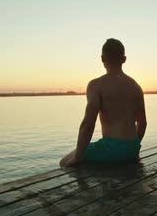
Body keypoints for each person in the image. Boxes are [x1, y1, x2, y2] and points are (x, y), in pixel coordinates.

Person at [60, 38, 147, 167]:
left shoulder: (97, 85)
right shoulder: (136, 86)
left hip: (111, 149)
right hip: (133, 148)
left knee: (64, 163)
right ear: (124, 59)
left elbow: (88, 125)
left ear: (102, 58)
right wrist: (132, 147)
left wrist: (77, 157)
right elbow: (142, 123)